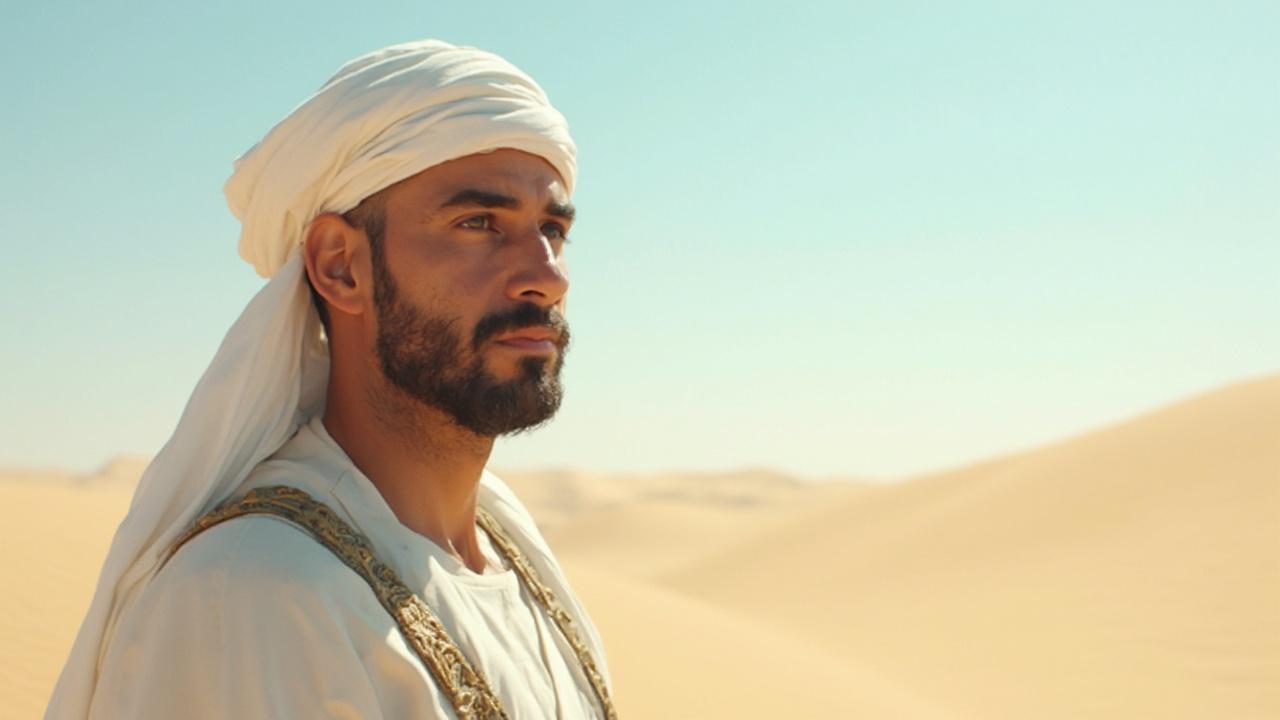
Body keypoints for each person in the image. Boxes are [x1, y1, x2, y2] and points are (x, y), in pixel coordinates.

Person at [45, 40, 615, 719]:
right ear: (341, 265)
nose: (547, 276)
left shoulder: (513, 552)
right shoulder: (255, 591)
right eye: (479, 223)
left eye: (552, 228)